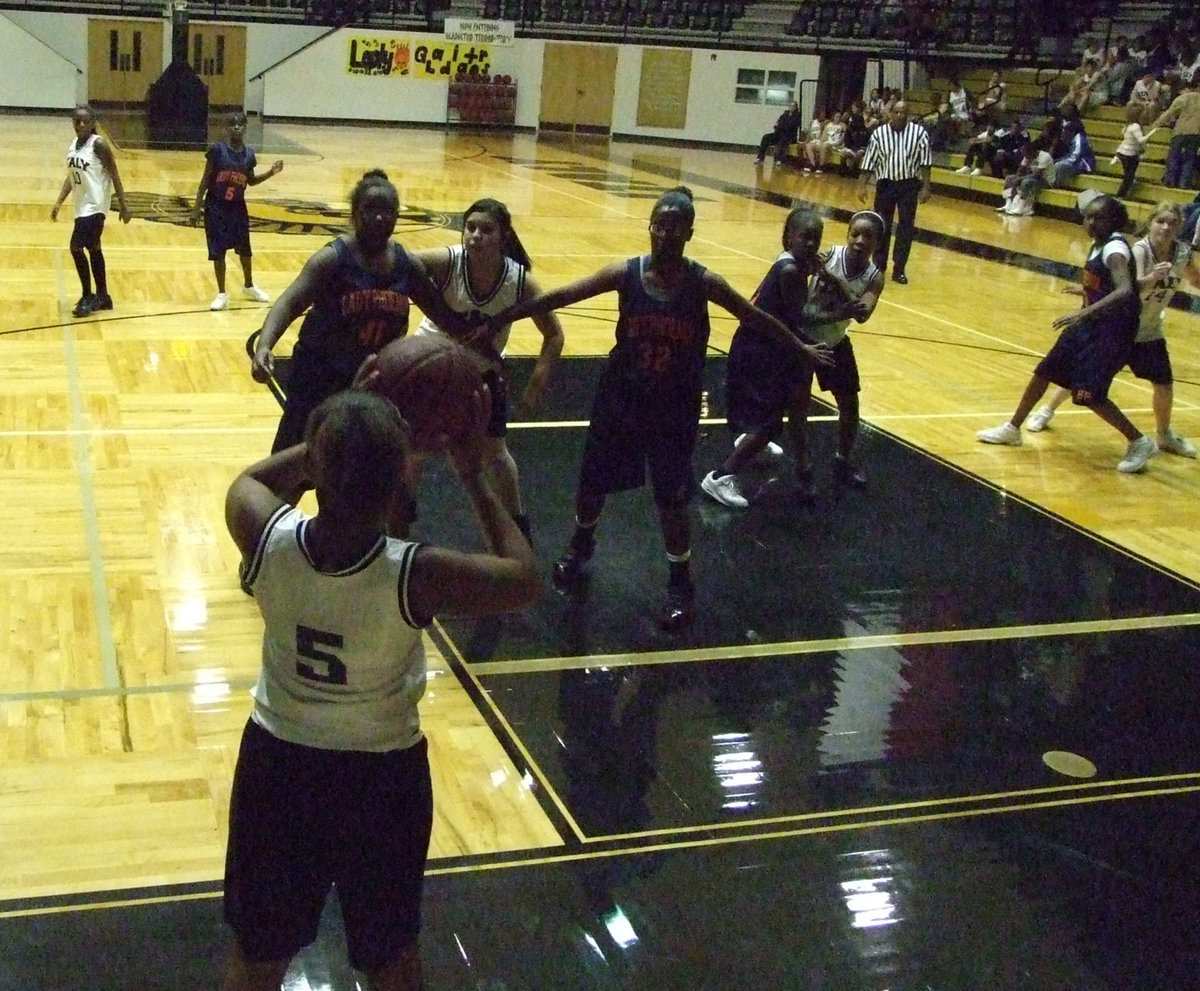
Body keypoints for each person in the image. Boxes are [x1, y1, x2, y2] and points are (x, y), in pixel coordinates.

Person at [222, 388, 541, 991]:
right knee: (391, 959)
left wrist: (327, 441)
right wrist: (473, 474)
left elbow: (248, 481)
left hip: (278, 770)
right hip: (381, 783)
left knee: (257, 957)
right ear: (400, 479)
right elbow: (523, 578)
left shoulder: (265, 535)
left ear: (315, 470)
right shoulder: (417, 574)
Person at [480, 187, 818, 631]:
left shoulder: (703, 283)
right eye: (659, 225)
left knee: (671, 499)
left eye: (674, 228)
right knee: (593, 482)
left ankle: (680, 583)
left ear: (689, 233)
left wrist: (800, 348)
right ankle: (581, 543)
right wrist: (504, 316)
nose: (664, 234)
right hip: (621, 397)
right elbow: (564, 295)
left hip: (673, 406)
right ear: (650, 227)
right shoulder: (628, 273)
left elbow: (754, 318)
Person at [251, 169, 471, 457]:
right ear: (354, 214)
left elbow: (445, 317)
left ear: (397, 216)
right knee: (297, 459)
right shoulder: (332, 259)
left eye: (387, 211)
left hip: (374, 382)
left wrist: (483, 342)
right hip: (321, 376)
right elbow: (289, 303)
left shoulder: (407, 265)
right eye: (371, 210)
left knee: (358, 467)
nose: (379, 217)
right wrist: (265, 345)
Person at [409, 197, 565, 542]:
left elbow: (554, 335)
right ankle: (399, 520)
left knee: (495, 455)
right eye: (470, 227)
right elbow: (400, 265)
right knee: (412, 448)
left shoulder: (519, 281)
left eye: (486, 230)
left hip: (479, 376)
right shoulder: (447, 261)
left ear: (504, 236)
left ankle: (518, 527)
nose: (476, 235)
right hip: (429, 368)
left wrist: (535, 387)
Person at [976, 194, 1157, 474]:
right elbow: (1110, 286)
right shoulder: (1098, 245)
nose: (1091, 222)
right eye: (1088, 217)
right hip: (1089, 326)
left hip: (1111, 332)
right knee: (1044, 371)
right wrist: (1086, 291)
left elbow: (1125, 291)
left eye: (1098, 217)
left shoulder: (1114, 250)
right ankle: (1012, 428)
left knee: (1088, 395)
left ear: (1113, 220)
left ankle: (1139, 441)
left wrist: (1082, 312)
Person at [1023, 201, 1199, 457]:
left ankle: (1164, 435)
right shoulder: (1138, 251)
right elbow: (1125, 290)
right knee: (1083, 376)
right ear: (1150, 223)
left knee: (1163, 383)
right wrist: (1153, 278)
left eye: (1172, 223)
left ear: (1180, 227)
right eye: (1160, 221)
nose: (1165, 227)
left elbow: (1195, 278)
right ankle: (1047, 410)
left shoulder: (1182, 252)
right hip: (1120, 328)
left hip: (1149, 330)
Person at [699, 207, 833, 510]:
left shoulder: (789, 264)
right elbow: (798, 318)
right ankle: (721, 476)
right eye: (805, 237)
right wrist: (813, 340)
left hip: (761, 347)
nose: (811, 244)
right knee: (770, 423)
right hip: (757, 350)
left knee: (772, 411)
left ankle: (752, 444)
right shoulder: (790, 272)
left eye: (816, 238)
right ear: (788, 237)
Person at [793, 210, 885, 490]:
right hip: (804, 338)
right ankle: (802, 464)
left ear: (877, 243)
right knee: (798, 405)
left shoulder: (874, 277)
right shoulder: (827, 255)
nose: (860, 240)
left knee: (850, 404)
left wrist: (837, 281)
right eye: (855, 234)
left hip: (834, 341)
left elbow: (862, 314)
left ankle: (843, 459)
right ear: (847, 234)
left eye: (867, 236)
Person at [191, 111, 283, 311]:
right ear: (227, 128)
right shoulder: (217, 151)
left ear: (245, 128)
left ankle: (249, 285)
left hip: (237, 207)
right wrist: (197, 206)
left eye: (240, 124)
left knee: (245, 249)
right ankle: (222, 293)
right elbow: (205, 180)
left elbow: (251, 181)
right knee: (218, 250)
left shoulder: (249, 155)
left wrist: (271, 172)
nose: (237, 127)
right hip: (216, 205)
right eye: (232, 124)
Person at [50, 105, 131, 318]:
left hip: (95, 207)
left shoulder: (99, 144)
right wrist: (59, 202)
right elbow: (72, 176)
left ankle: (88, 296)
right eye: (76, 121)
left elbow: (114, 174)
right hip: (81, 207)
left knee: (76, 247)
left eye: (85, 121)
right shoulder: (73, 145)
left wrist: (124, 206)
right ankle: (103, 296)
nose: (80, 124)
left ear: (93, 122)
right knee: (94, 248)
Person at [856, 100, 932, 285]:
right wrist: (861, 185)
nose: (900, 115)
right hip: (886, 184)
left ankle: (899, 269)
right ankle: (879, 266)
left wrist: (926, 187)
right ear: (891, 113)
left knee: (906, 227)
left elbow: (925, 162)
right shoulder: (879, 133)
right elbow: (869, 160)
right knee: (882, 225)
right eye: (897, 112)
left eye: (904, 112)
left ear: (908, 114)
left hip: (909, 185)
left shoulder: (919, 133)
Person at [1150, 78, 1200, 189]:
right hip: (1196, 132)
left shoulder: (1183, 98)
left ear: (1186, 89)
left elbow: (1169, 113)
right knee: (1189, 159)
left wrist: (1155, 124)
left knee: (1174, 156)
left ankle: (1170, 181)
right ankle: (1184, 184)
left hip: (1181, 131)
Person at [1112, 103, 1158, 198]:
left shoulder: (1129, 126)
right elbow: (1141, 140)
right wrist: (1152, 133)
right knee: (1129, 176)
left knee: (1129, 174)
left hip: (1127, 152)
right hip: (1129, 154)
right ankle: (1120, 195)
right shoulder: (1135, 126)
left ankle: (1125, 191)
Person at [755, 100, 802, 165]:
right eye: (790, 106)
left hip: (789, 136)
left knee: (782, 140)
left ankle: (779, 159)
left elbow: (789, 126)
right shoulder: (785, 114)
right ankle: (760, 158)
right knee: (766, 137)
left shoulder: (797, 116)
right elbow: (778, 123)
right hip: (779, 133)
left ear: (796, 108)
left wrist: (780, 125)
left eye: (793, 106)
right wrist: (780, 125)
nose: (791, 107)